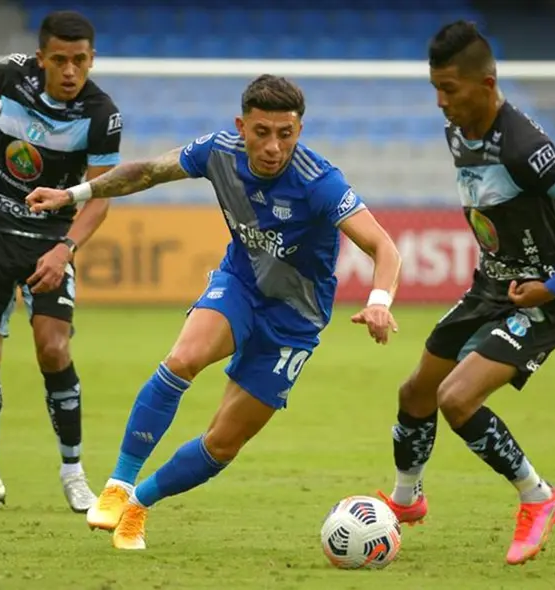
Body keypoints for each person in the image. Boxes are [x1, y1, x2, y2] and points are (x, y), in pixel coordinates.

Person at [25, 74, 403, 550]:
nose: (273, 146)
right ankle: (117, 485)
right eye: (262, 132)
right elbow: (145, 171)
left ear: (298, 132)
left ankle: (138, 505)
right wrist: (74, 195)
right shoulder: (217, 150)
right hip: (240, 285)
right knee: (183, 359)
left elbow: (383, 247)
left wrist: (378, 302)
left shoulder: (319, 182)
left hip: (296, 320)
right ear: (241, 126)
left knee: (222, 443)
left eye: (285, 134)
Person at [378, 21, 555, 566]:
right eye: (435, 89)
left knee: (456, 399)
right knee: (415, 392)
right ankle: (406, 501)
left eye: (450, 90)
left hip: (541, 298)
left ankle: (540, 497)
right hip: (491, 286)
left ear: (486, 85)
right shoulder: (457, 130)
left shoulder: (526, 147)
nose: (441, 102)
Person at [0, 11, 123, 513]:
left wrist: (65, 249)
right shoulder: (11, 74)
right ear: (41, 59)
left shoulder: (102, 115)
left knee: (53, 349)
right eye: (60, 60)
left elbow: (100, 196)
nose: (71, 70)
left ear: (91, 59)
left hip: (50, 238)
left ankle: (74, 474)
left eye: (80, 60)